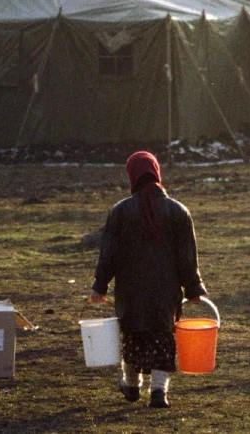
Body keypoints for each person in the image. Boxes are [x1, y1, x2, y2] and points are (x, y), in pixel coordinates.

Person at [89, 151, 208, 409]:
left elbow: (108, 254)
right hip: (165, 293)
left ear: (132, 175)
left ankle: (131, 386)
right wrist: (194, 288)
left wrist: (99, 286)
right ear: (156, 173)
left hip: (130, 292)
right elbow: (187, 256)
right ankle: (158, 392)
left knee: (133, 337)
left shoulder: (120, 211)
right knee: (162, 339)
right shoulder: (178, 211)